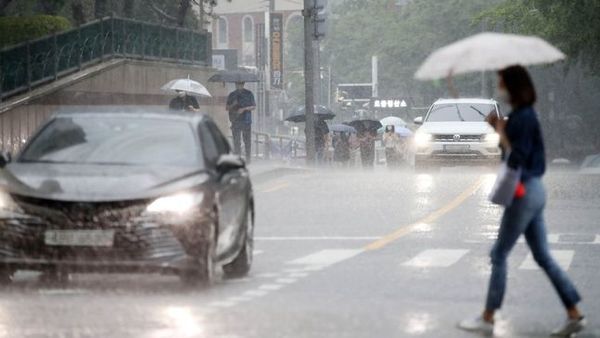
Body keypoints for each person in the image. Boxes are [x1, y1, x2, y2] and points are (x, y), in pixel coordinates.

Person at [458, 65, 586, 337]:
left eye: (502, 82)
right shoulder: (521, 116)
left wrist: (501, 133)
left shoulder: (523, 117)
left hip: (524, 190)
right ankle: (574, 312)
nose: (499, 88)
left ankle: (488, 317)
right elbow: (513, 150)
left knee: (499, 253)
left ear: (513, 87)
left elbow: (518, 157)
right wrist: (499, 129)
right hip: (534, 189)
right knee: (541, 255)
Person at [226, 82, 256, 162]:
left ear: (243, 84)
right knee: (236, 141)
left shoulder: (249, 93)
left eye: (241, 84)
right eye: (238, 84)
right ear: (235, 84)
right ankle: (237, 159)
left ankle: (248, 159)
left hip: (246, 121)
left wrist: (244, 109)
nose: (239, 85)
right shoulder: (232, 95)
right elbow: (227, 107)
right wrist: (233, 104)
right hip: (235, 121)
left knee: (247, 141)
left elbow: (253, 106)